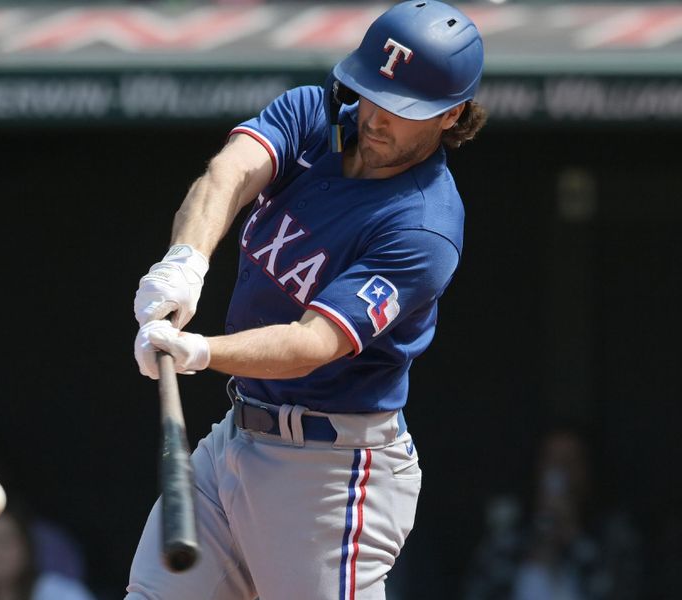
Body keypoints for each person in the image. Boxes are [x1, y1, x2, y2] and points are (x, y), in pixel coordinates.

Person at [128, 1, 487, 598]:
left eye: (401, 109)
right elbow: (228, 174)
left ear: (451, 115)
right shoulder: (314, 115)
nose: (374, 117)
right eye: (372, 92)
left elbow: (313, 342)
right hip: (237, 436)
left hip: (330, 471)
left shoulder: (424, 226)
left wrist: (199, 350)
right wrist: (185, 262)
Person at [463, 428, 643, 600]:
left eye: (570, 462)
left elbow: (617, 592)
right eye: (551, 460)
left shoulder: (613, 535)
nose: (559, 471)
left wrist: (574, 539)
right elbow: (480, 589)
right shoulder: (509, 533)